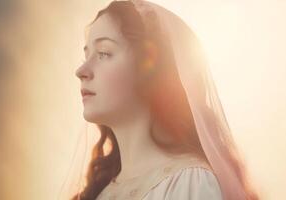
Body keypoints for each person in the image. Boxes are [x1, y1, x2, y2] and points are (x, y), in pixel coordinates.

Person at [60, 0, 260, 199]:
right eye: (86, 56)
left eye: (103, 53)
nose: (81, 71)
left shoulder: (189, 183)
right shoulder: (98, 193)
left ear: (149, 70)